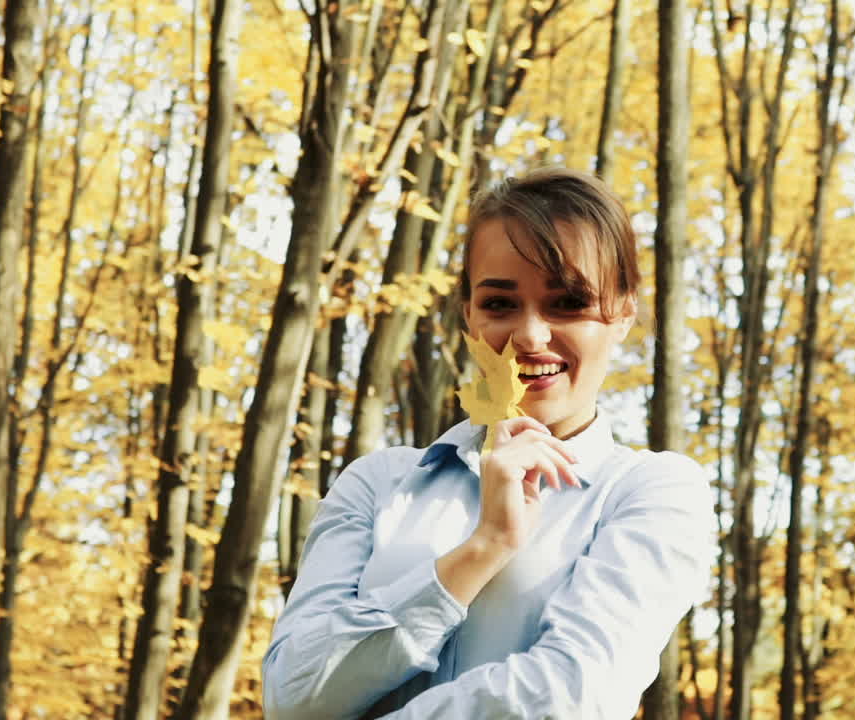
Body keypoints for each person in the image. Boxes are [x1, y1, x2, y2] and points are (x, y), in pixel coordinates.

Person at [262, 167, 714, 719]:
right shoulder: (377, 484)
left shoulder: (652, 494)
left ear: (622, 312)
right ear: (470, 317)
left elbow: (572, 697)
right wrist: (485, 546)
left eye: (568, 302)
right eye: (501, 304)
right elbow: (293, 697)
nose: (530, 335)